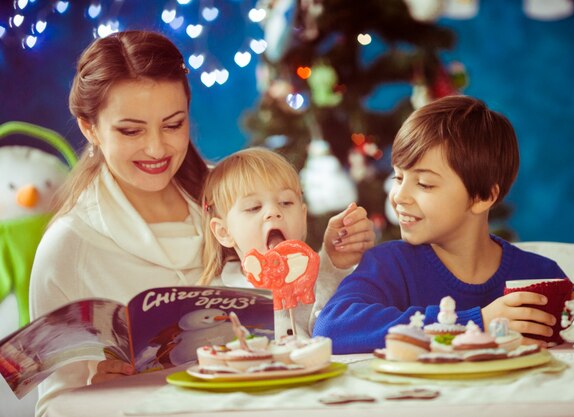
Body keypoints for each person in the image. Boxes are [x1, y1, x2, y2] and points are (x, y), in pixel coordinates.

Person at [28, 30, 372, 416]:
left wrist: (333, 261)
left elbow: (307, 312)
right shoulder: (69, 246)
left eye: (173, 124)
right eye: (131, 130)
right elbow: (52, 406)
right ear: (89, 127)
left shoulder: (235, 200)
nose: (157, 148)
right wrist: (103, 397)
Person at [313, 95, 567, 354]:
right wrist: (474, 324)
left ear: (483, 197)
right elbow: (331, 328)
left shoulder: (539, 276)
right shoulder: (389, 264)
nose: (399, 196)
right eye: (398, 177)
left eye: (424, 184)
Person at [199, 147, 374, 338]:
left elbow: (346, 322)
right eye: (253, 207)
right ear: (224, 232)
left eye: (286, 203)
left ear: (303, 215)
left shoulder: (320, 274)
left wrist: (334, 264)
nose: (273, 212)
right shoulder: (217, 296)